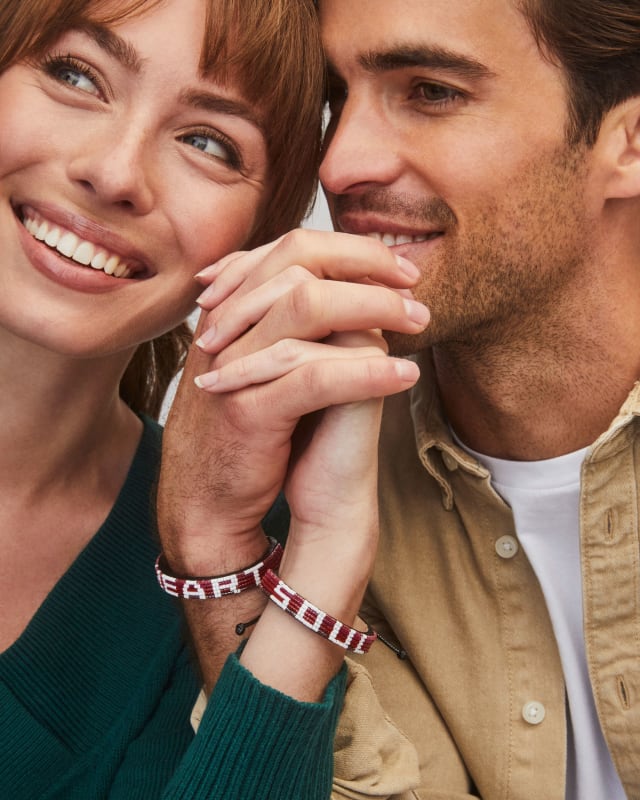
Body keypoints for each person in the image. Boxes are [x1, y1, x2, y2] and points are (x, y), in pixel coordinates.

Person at [158, 0, 640, 797]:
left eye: (431, 91)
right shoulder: (316, 481)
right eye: (333, 100)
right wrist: (219, 552)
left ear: (626, 142)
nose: (340, 164)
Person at [0, 0, 351, 796]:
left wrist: (313, 555)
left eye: (208, 142)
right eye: (75, 74)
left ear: (263, 235)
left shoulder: (229, 571)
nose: (115, 173)